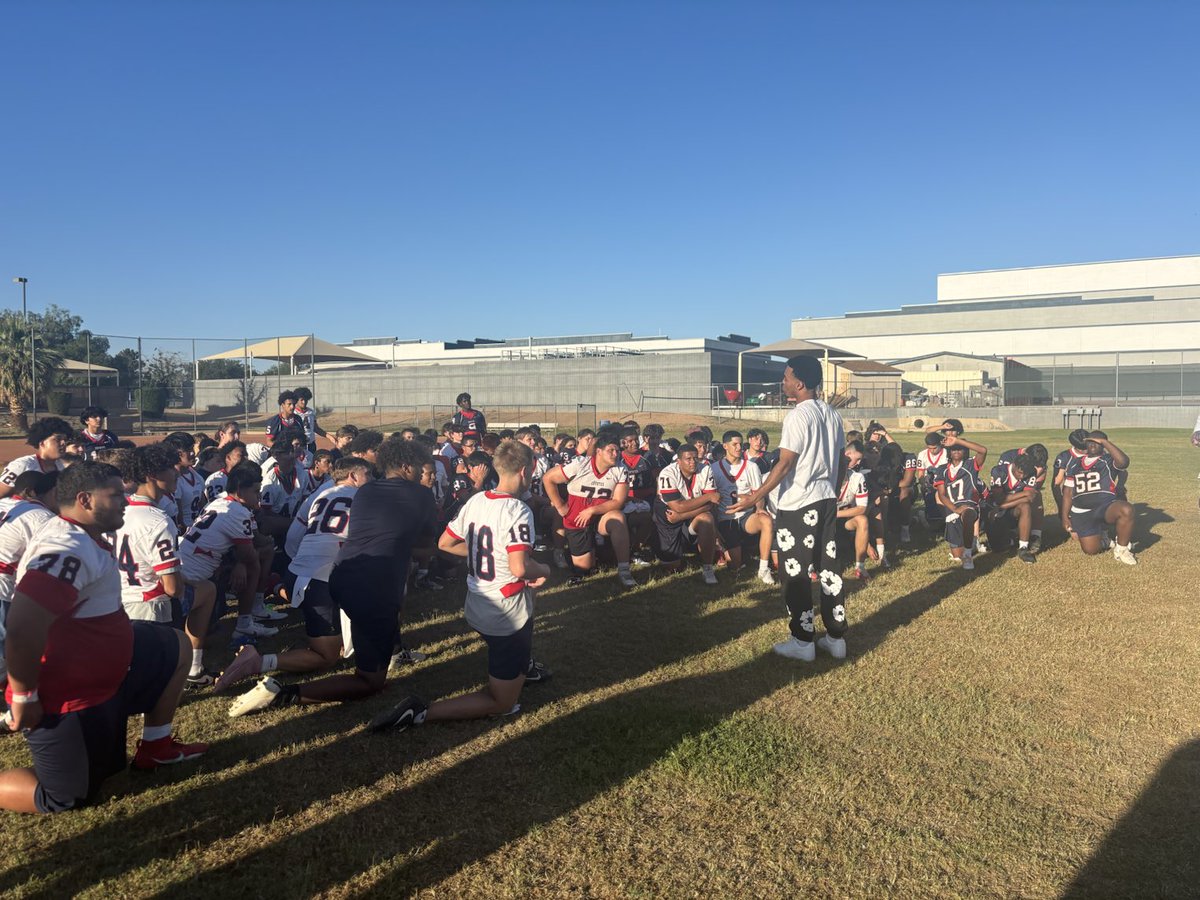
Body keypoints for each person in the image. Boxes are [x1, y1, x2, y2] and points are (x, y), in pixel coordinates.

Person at [0, 462, 207, 814]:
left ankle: (156, 746)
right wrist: (24, 695)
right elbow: (22, 627)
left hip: (108, 674)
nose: (125, 501)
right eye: (115, 495)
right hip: (69, 694)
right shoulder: (65, 546)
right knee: (69, 796)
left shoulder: (86, 535)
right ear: (85, 500)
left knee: (175, 645)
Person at [227, 438, 436, 714]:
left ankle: (390, 652)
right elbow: (425, 547)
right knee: (369, 680)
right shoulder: (420, 495)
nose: (424, 475)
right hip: (370, 585)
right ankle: (282, 695)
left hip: (339, 575)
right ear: (407, 467)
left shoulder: (365, 491)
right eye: (421, 469)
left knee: (369, 629)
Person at [370, 439, 552, 733]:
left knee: (524, 604)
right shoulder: (519, 510)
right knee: (504, 702)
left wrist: (485, 554)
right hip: (504, 611)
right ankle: (421, 712)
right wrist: (543, 568)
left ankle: (523, 666)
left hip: (476, 601)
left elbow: (445, 543)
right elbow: (520, 567)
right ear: (525, 470)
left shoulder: (477, 500)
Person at [217, 457, 375, 696]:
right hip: (319, 579)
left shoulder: (320, 495)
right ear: (353, 476)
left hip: (303, 570)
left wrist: (297, 563)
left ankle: (342, 635)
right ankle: (257, 661)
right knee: (326, 656)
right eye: (368, 474)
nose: (372, 479)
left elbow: (297, 532)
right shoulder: (364, 497)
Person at [729, 355, 846, 662]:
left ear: (800, 383)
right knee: (829, 569)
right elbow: (842, 460)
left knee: (794, 572)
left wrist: (756, 497)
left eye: (786, 377)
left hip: (798, 504)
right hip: (826, 500)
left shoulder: (797, 416)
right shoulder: (832, 414)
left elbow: (785, 463)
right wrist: (834, 489)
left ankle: (802, 641)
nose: (783, 383)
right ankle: (836, 637)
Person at [112, 444, 219, 686]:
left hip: (117, 599)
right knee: (206, 590)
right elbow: (172, 589)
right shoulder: (157, 520)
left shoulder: (119, 510)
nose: (177, 472)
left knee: (204, 588)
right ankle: (193, 666)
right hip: (150, 607)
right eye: (170, 467)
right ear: (152, 475)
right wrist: (183, 579)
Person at [179, 462, 274, 641]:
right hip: (196, 581)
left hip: (189, 569)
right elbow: (249, 555)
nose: (259, 496)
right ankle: (245, 622)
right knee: (253, 563)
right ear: (240, 490)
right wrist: (243, 565)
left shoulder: (219, 502)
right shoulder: (237, 511)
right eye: (255, 491)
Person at [541, 430, 637, 588]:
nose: (615, 454)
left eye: (617, 451)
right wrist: (559, 505)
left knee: (618, 517)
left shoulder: (620, 469)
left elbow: (618, 501)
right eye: (610, 450)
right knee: (584, 568)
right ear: (598, 451)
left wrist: (592, 510)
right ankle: (586, 552)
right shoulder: (580, 463)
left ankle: (624, 569)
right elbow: (548, 478)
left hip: (600, 517)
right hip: (577, 519)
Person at [0, 471, 58, 684]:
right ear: (36, 493)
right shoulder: (41, 515)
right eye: (55, 493)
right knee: (9, 653)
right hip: (3, 585)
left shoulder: (5, 503)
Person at [1062, 432, 1136, 564]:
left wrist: (1105, 442)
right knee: (1090, 551)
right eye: (1090, 441)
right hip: (1081, 512)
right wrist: (1065, 516)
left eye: (1097, 442)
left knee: (1126, 509)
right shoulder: (1074, 463)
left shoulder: (1108, 460)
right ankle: (1105, 540)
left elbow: (1124, 463)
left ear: (1103, 444)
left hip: (1104, 507)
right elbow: (1067, 492)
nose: (1092, 444)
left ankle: (1122, 550)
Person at [711, 431, 775, 584]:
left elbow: (758, 495)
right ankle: (728, 550)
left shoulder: (751, 466)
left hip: (746, 517)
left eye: (740, 444)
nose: (739, 447)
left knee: (766, 520)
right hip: (725, 519)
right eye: (735, 444)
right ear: (725, 446)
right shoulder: (713, 468)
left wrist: (759, 507)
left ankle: (764, 568)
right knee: (735, 566)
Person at [654, 445, 721, 584]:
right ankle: (659, 544)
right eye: (688, 459)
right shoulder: (667, 473)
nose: (693, 462)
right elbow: (677, 506)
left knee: (707, 518)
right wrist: (707, 497)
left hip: (684, 516)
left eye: (695, 458)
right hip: (667, 517)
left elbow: (711, 504)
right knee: (672, 567)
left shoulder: (705, 469)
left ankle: (707, 568)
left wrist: (682, 516)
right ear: (678, 461)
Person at [934, 440, 988, 571]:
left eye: (960, 449)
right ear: (949, 452)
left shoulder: (970, 464)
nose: (956, 451)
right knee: (957, 555)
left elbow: (983, 450)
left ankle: (968, 554)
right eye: (953, 449)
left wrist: (958, 440)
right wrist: (954, 509)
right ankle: (971, 544)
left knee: (968, 514)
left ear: (965, 451)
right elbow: (942, 494)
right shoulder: (942, 469)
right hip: (952, 509)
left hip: (968, 505)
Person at [982, 455, 1040, 563]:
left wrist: (1003, 506)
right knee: (998, 548)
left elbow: (1029, 498)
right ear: (1013, 465)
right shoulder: (998, 471)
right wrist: (1024, 494)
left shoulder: (1032, 472)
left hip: (1009, 509)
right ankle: (1013, 538)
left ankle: (1023, 548)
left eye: (1025, 474)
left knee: (1025, 507)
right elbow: (999, 498)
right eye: (1019, 472)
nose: (1022, 476)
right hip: (995, 513)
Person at [0, 418, 73, 500]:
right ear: (42, 443)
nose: (63, 443)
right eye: (58, 439)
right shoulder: (23, 465)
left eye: (65, 440)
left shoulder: (63, 466)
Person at [836, 441, 873, 580]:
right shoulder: (827, 474)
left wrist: (837, 514)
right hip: (823, 517)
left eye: (859, 460)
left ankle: (860, 567)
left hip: (841, 516)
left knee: (862, 520)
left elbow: (862, 508)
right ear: (846, 454)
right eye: (856, 459)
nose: (857, 463)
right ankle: (811, 566)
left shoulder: (857, 477)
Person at [292, 386, 326, 454]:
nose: (304, 402)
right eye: (301, 400)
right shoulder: (293, 413)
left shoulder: (311, 412)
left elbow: (315, 428)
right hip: (299, 445)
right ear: (296, 400)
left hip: (311, 444)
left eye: (306, 400)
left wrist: (329, 437)